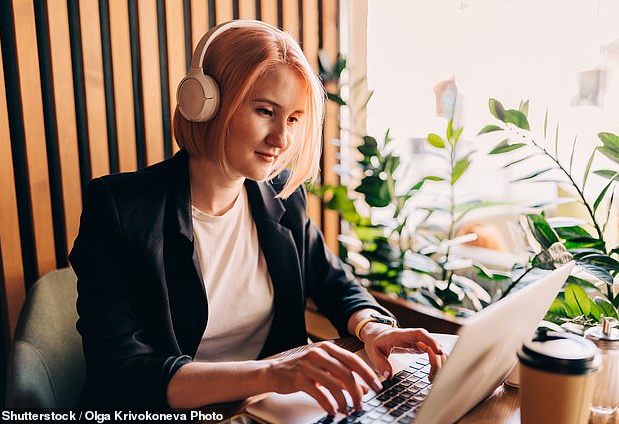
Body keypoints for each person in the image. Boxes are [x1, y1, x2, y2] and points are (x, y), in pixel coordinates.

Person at [69, 20, 445, 415]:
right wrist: (272, 373)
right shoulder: (119, 208)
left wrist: (374, 329)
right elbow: (122, 373)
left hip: (267, 411)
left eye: (295, 119)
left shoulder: (279, 195)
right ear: (206, 103)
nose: (282, 139)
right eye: (266, 111)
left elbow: (334, 281)